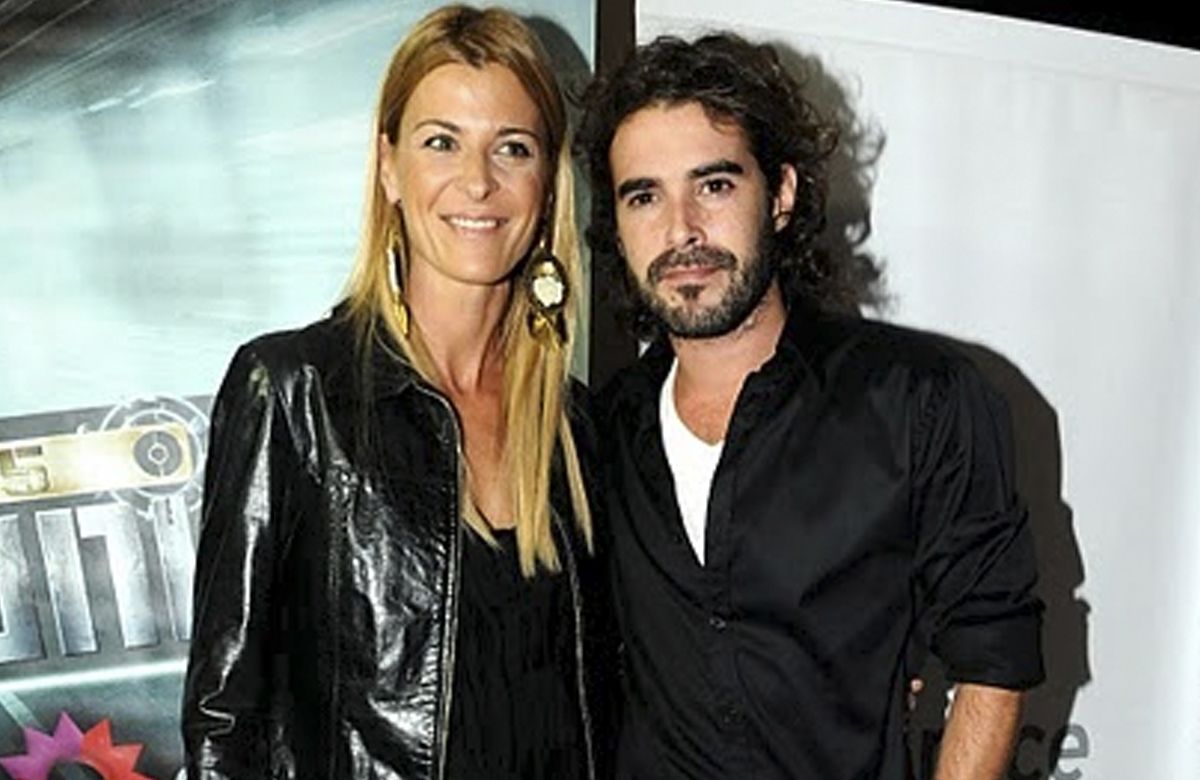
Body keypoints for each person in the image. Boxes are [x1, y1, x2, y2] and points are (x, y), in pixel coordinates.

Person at [576, 32, 1043, 780]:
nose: (681, 229)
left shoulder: (918, 400)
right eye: (644, 196)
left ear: (782, 194)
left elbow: (995, 656)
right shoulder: (598, 433)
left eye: (714, 185)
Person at [183, 6, 613, 779]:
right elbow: (223, 718)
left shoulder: (575, 428)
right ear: (389, 167)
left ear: (548, 180)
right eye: (441, 142)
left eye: (512, 148)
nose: (477, 182)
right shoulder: (294, 391)